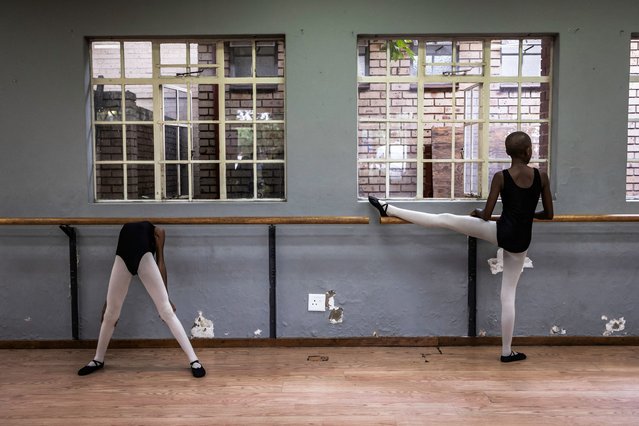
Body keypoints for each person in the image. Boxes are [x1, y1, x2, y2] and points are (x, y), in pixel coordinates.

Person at [369, 131, 553, 362]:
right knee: (508, 295)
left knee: (445, 219)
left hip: (500, 232)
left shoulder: (501, 177)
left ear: (508, 153)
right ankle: (507, 352)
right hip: (520, 242)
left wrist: (478, 214)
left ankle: (389, 209)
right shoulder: (541, 176)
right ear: (528, 151)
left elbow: (486, 214)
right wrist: (528, 214)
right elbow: (549, 214)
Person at [78, 221, 206, 377]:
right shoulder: (135, 229)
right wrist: (108, 302)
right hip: (123, 258)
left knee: (166, 311)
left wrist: (166, 297)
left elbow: (160, 262)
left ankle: (194, 360)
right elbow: (117, 274)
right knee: (110, 313)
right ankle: (98, 359)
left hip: (143, 258)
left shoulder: (158, 231)